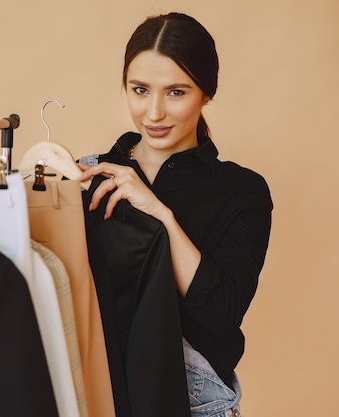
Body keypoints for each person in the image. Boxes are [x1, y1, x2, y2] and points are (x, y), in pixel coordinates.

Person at [78, 12, 272, 417]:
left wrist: (162, 216)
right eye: (140, 90)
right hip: (96, 393)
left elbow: (222, 312)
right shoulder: (88, 179)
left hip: (194, 403)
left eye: (176, 92)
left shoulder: (242, 192)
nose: (153, 113)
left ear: (207, 93)